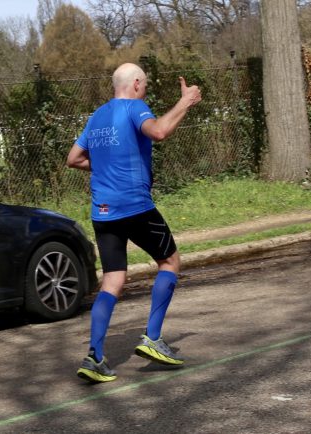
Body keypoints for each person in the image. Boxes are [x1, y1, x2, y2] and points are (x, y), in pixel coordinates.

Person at [67, 63, 202, 382]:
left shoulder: (97, 116)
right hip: (135, 206)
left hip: (102, 210)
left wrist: (104, 167)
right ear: (137, 83)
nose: (146, 88)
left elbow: (73, 158)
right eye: (146, 83)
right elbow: (160, 132)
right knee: (170, 261)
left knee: (112, 280)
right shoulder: (135, 107)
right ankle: (152, 338)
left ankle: (94, 357)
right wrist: (185, 102)